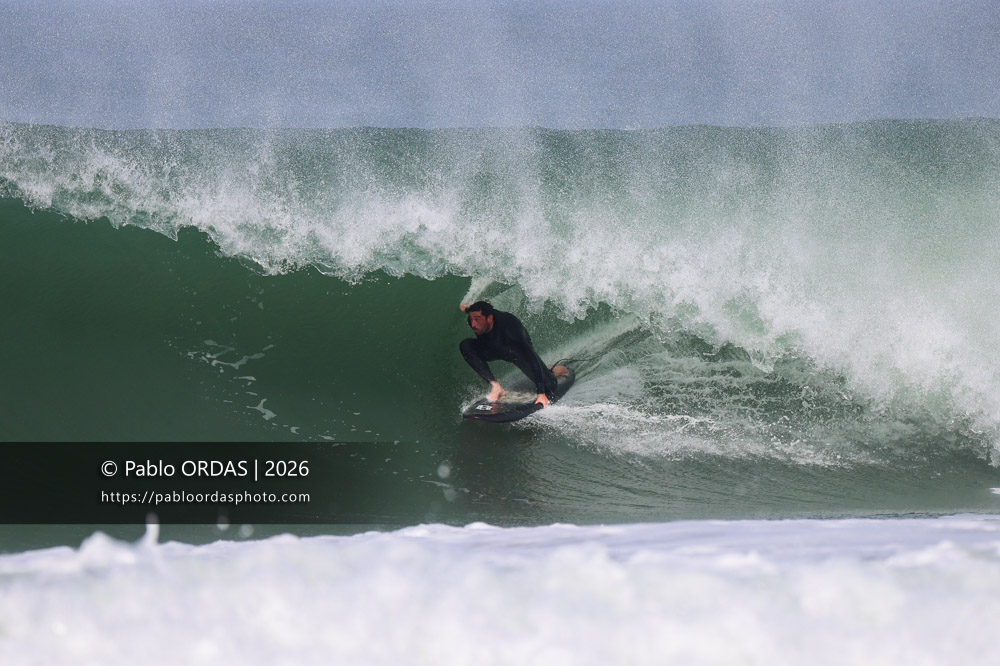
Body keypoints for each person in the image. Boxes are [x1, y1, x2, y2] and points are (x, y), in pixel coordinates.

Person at [459, 301, 569, 407]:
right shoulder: (475, 316)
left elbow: (531, 357)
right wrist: (466, 307)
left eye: (477, 320)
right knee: (466, 345)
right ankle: (496, 386)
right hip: (491, 349)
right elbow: (472, 309)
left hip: (516, 352)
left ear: (490, 318)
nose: (473, 324)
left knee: (549, 386)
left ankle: (553, 370)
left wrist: (541, 394)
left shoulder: (510, 328)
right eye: (471, 319)